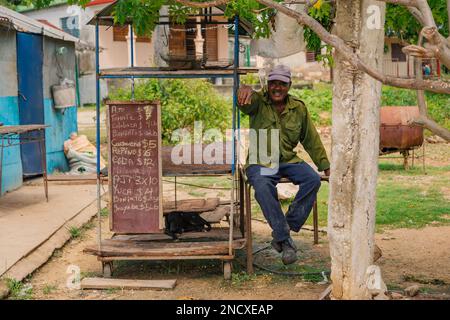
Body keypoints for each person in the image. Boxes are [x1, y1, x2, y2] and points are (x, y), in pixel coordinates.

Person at [237, 64, 330, 265]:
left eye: (282, 84)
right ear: (268, 85)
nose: (277, 88)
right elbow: (244, 103)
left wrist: (324, 165)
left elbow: (311, 138)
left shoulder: (298, 107)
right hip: (260, 160)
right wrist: (242, 88)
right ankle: (286, 241)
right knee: (262, 186)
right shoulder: (258, 101)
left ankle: (284, 229)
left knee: (313, 179)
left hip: (288, 160)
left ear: (289, 85)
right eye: (273, 83)